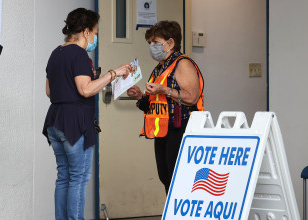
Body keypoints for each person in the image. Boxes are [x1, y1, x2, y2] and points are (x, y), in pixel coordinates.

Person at [42, 8, 131, 220]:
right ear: (86, 31)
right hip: (75, 123)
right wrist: (114, 73)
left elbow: (49, 92)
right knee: (79, 178)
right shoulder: (79, 54)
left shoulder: (56, 52)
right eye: (96, 32)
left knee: (64, 176)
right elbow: (86, 89)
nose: (96, 37)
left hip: (55, 120)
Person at [127, 21, 205, 194]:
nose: (152, 47)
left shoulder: (182, 63)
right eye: (150, 43)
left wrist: (165, 90)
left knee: (178, 178)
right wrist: (140, 96)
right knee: (166, 177)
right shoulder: (160, 68)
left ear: (170, 43)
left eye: (156, 42)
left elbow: (191, 97)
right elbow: (154, 103)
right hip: (163, 129)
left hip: (181, 127)